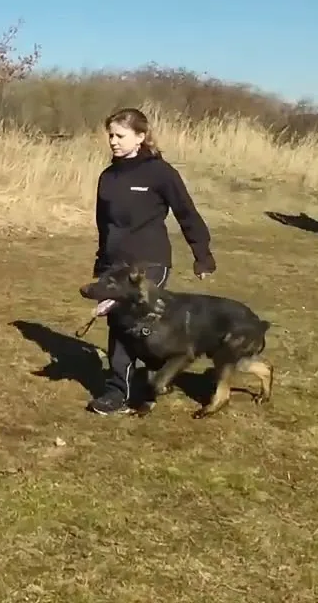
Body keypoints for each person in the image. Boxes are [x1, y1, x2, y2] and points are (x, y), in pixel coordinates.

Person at [86, 107, 216, 416]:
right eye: (110, 136)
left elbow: (187, 214)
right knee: (123, 325)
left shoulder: (160, 173)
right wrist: (102, 262)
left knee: (133, 323)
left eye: (120, 135)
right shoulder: (109, 176)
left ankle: (128, 387)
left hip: (150, 263)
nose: (113, 142)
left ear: (140, 137)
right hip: (115, 264)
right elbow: (104, 223)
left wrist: (202, 255)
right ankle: (132, 386)